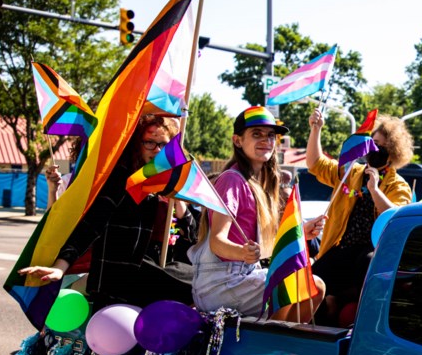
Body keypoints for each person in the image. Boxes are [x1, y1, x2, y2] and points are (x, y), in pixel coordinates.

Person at [19, 115, 196, 308]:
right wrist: (60, 267)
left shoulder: (171, 185)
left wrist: (177, 200)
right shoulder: (121, 180)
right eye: (150, 143)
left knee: (198, 284)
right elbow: (91, 224)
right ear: (137, 144)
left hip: (156, 279)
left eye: (163, 144)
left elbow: (193, 234)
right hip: (119, 285)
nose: (158, 150)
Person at [189, 106, 324, 323]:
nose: (266, 140)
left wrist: (300, 234)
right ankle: (272, 344)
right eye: (256, 134)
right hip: (221, 283)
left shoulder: (261, 183)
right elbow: (217, 242)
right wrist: (241, 252)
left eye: (271, 135)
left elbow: (265, 248)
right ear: (238, 140)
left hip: (243, 276)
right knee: (300, 284)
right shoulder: (232, 180)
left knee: (312, 283)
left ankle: (278, 339)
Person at [306, 108, 413, 326]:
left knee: (368, 264)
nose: (375, 149)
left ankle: (356, 319)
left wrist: (375, 190)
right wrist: (316, 129)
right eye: (372, 143)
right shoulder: (350, 172)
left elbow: (396, 218)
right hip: (341, 247)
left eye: (381, 146)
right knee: (310, 282)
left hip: (370, 251)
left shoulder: (398, 185)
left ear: (392, 152)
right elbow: (315, 163)